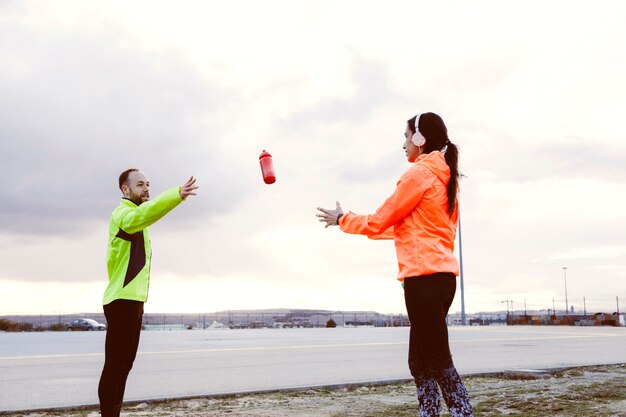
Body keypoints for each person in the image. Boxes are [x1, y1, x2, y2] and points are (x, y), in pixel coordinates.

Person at [316, 112, 473, 417]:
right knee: (420, 361)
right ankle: (429, 413)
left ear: (419, 139)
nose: (402, 144)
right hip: (441, 279)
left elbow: (382, 218)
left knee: (439, 360)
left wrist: (343, 220)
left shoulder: (418, 175)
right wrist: (349, 222)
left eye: (405, 136)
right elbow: (401, 228)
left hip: (423, 280)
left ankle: (463, 413)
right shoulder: (445, 178)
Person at [98, 169, 198, 417]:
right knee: (115, 366)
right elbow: (145, 213)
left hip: (134, 300)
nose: (146, 189)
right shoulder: (123, 214)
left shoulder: (137, 218)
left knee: (124, 365)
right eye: (140, 185)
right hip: (121, 300)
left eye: (148, 184)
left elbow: (145, 216)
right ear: (125, 190)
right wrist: (176, 195)